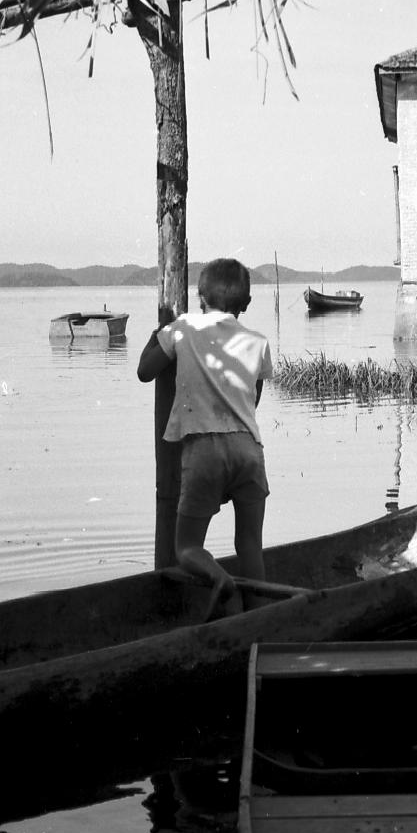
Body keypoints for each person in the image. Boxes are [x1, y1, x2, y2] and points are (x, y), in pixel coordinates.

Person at [136, 257, 273, 613]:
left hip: (203, 451)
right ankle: (260, 616)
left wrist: (155, 338)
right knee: (250, 546)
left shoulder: (181, 328)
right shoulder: (258, 341)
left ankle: (220, 579)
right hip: (248, 449)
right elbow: (253, 399)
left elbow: (145, 372)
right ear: (246, 303)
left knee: (187, 549)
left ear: (200, 296)